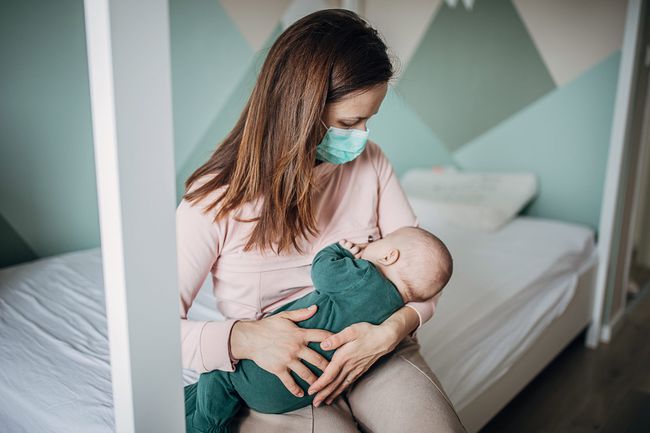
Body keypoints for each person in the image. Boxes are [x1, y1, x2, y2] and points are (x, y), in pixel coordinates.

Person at [176, 8, 467, 433]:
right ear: (299, 109)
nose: (363, 136)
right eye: (351, 122)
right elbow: (149, 332)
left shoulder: (371, 165)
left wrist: (390, 332)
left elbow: (423, 271)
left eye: (370, 120)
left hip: (377, 344)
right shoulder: (215, 199)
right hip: (281, 373)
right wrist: (244, 337)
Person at [184, 227, 453, 433]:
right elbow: (428, 280)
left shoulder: (362, 275)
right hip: (310, 380)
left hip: (281, 385)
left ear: (388, 255)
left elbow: (323, 270)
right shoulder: (394, 304)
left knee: (220, 372)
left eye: (375, 241)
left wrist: (341, 251)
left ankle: (204, 425)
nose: (368, 245)